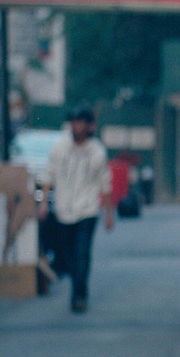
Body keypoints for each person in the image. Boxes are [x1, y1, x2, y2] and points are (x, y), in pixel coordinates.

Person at [41, 106, 113, 313]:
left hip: (87, 209)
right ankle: (77, 287)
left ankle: (79, 295)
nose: (77, 127)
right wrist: (44, 202)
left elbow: (105, 183)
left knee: (82, 253)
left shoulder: (97, 151)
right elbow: (49, 175)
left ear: (89, 126)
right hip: (64, 208)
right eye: (74, 122)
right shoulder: (60, 147)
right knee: (69, 254)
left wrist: (109, 213)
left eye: (81, 122)